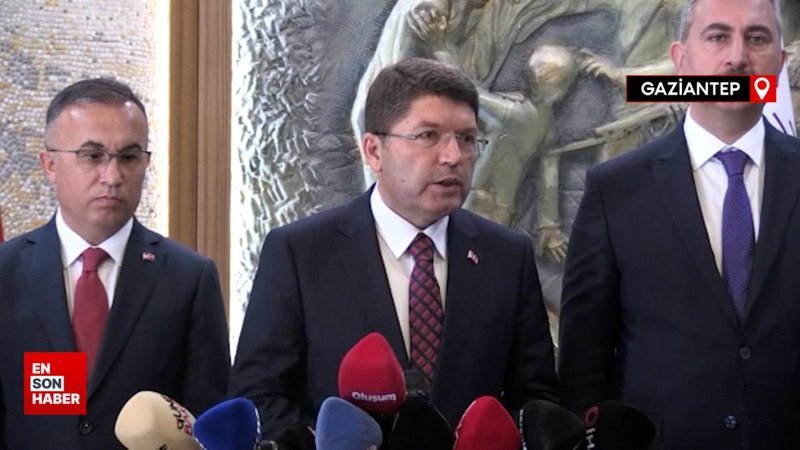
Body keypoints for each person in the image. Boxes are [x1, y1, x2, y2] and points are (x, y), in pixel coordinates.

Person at [231, 57, 558, 438]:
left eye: (467, 139)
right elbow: (259, 397)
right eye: (428, 135)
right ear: (373, 151)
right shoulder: (300, 253)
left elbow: (535, 400)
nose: (453, 156)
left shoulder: (507, 257)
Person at [558, 0, 795, 448]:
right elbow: (584, 362)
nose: (738, 57)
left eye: (757, 38)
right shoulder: (615, 190)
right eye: (717, 36)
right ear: (680, 59)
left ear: (780, 63)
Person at [0, 78, 230, 449]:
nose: (112, 176)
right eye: (93, 156)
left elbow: (207, 421)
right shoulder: (6, 273)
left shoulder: (188, 278)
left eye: (128, 157)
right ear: (50, 164)